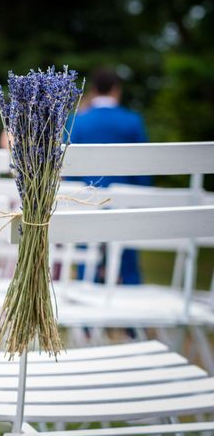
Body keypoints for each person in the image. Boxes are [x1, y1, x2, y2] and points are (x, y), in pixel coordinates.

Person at [69, 67, 152, 285]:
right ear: (116, 90)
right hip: (123, 204)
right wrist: (141, 199)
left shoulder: (78, 121)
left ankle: (85, 284)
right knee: (128, 255)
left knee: (86, 254)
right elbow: (143, 168)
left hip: (85, 202)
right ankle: (132, 288)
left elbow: (68, 169)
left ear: (94, 90)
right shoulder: (132, 121)